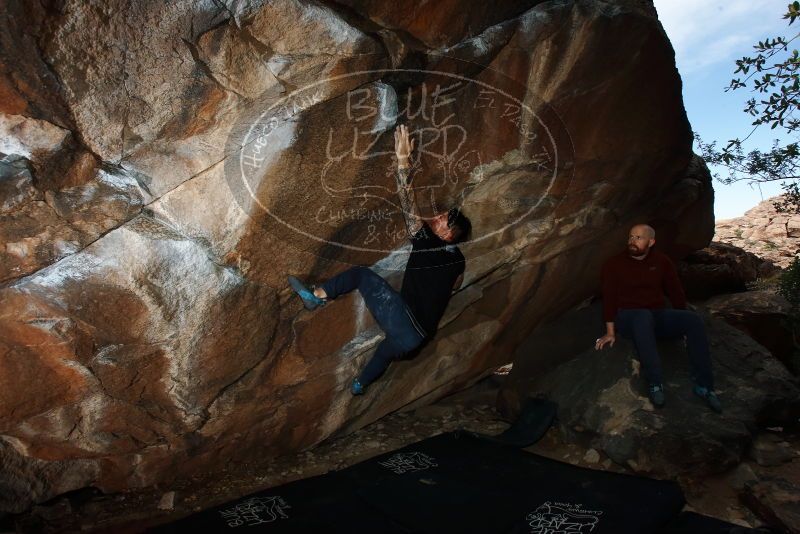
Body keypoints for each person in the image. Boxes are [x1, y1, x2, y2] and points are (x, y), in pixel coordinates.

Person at [288, 124, 471, 395]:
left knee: (362, 275)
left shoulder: (428, 243)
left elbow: (407, 204)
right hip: (416, 339)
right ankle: (360, 384)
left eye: (444, 218)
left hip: (404, 320)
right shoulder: (458, 260)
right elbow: (456, 284)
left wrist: (402, 160)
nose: (438, 215)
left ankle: (316, 296)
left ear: (447, 234)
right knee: (385, 352)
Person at [595, 224, 721, 412]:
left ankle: (705, 386)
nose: (632, 242)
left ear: (651, 242)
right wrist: (610, 332)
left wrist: (682, 321)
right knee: (642, 317)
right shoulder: (614, 264)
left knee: (692, 321)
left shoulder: (661, 261)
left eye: (639, 238)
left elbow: (675, 291)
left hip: (655, 316)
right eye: (631, 237)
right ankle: (655, 383)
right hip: (628, 317)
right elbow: (609, 298)